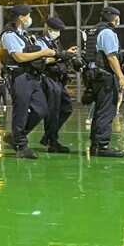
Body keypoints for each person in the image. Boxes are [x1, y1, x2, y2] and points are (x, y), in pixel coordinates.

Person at [0, 4, 52, 159]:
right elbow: (19, 57)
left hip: (31, 76)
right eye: (28, 15)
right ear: (20, 18)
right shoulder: (9, 35)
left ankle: (16, 136)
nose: (30, 18)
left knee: (41, 109)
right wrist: (42, 53)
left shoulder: (24, 35)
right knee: (21, 111)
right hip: (19, 76)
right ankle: (20, 145)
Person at [81, 7, 124, 157]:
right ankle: (101, 146)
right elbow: (111, 56)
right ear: (114, 18)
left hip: (93, 75)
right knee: (106, 111)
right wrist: (121, 77)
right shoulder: (107, 32)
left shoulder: (92, 31)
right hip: (105, 76)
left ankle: (96, 144)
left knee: (99, 111)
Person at [40, 15, 79, 153]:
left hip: (58, 80)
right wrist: (62, 55)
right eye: (55, 30)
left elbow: (60, 56)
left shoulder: (55, 42)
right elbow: (43, 60)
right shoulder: (41, 42)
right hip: (48, 78)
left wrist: (67, 55)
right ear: (48, 29)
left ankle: (49, 137)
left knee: (66, 108)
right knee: (52, 112)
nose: (57, 33)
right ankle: (52, 141)